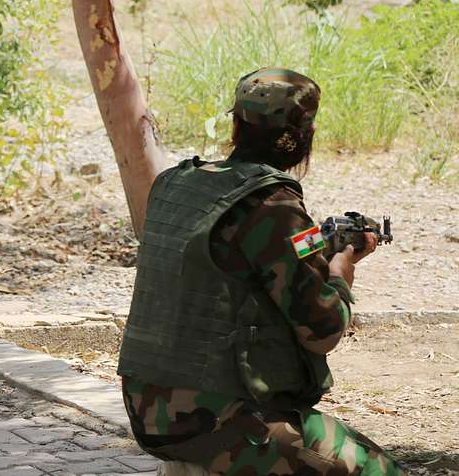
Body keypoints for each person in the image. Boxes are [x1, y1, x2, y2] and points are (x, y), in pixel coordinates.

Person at [117, 68, 401, 476]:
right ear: (304, 137)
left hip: (148, 408)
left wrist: (318, 245)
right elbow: (322, 332)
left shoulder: (173, 184)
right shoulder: (273, 204)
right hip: (218, 418)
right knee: (379, 471)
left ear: (236, 124)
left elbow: (239, 259)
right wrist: (340, 270)